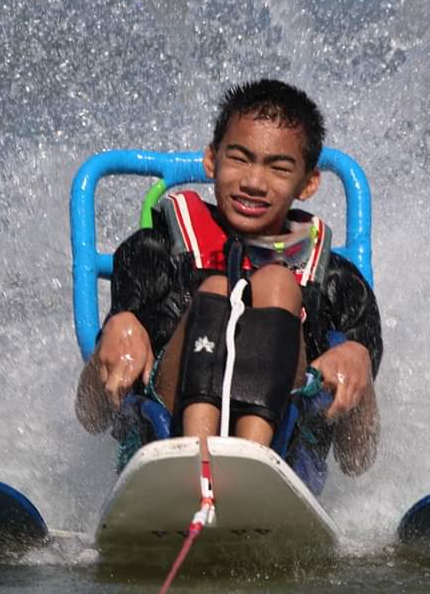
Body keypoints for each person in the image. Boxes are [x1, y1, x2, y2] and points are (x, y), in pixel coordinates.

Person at [75, 79, 381, 485]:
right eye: (240, 159)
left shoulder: (338, 281)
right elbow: (91, 418)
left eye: (278, 167)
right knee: (217, 291)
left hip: (284, 453)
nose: (254, 181)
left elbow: (358, 459)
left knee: (278, 283)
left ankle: (251, 465)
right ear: (211, 161)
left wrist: (357, 364)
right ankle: (199, 469)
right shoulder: (155, 250)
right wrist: (116, 331)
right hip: (171, 434)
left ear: (308, 183)